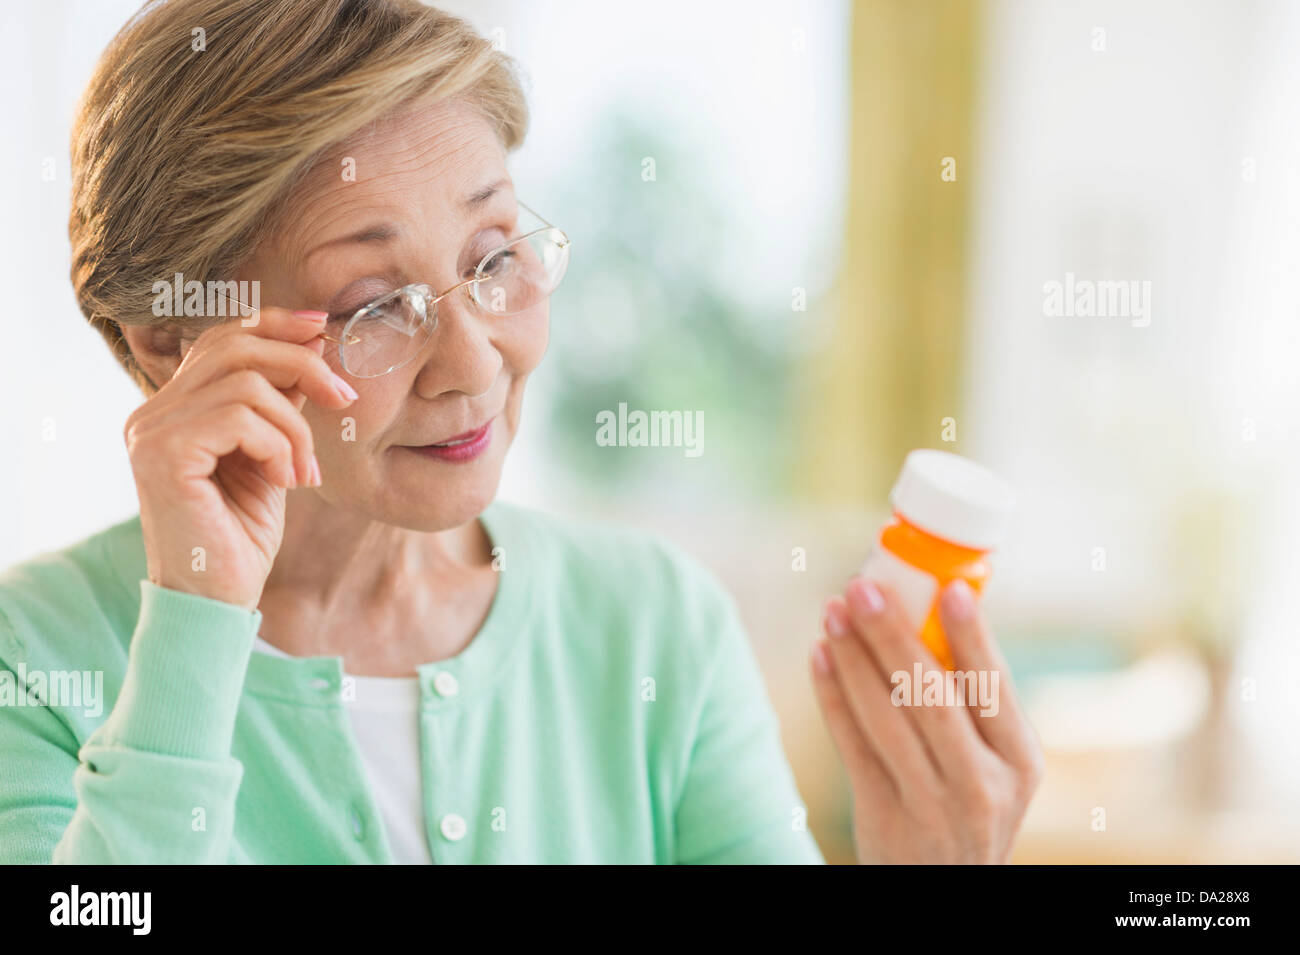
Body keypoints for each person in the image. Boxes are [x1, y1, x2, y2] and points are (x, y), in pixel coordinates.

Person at [0, 0, 1041, 864]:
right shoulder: (36, 658)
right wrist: (193, 617)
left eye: (494, 255)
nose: (474, 364)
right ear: (174, 344)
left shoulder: (654, 626)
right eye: (372, 304)